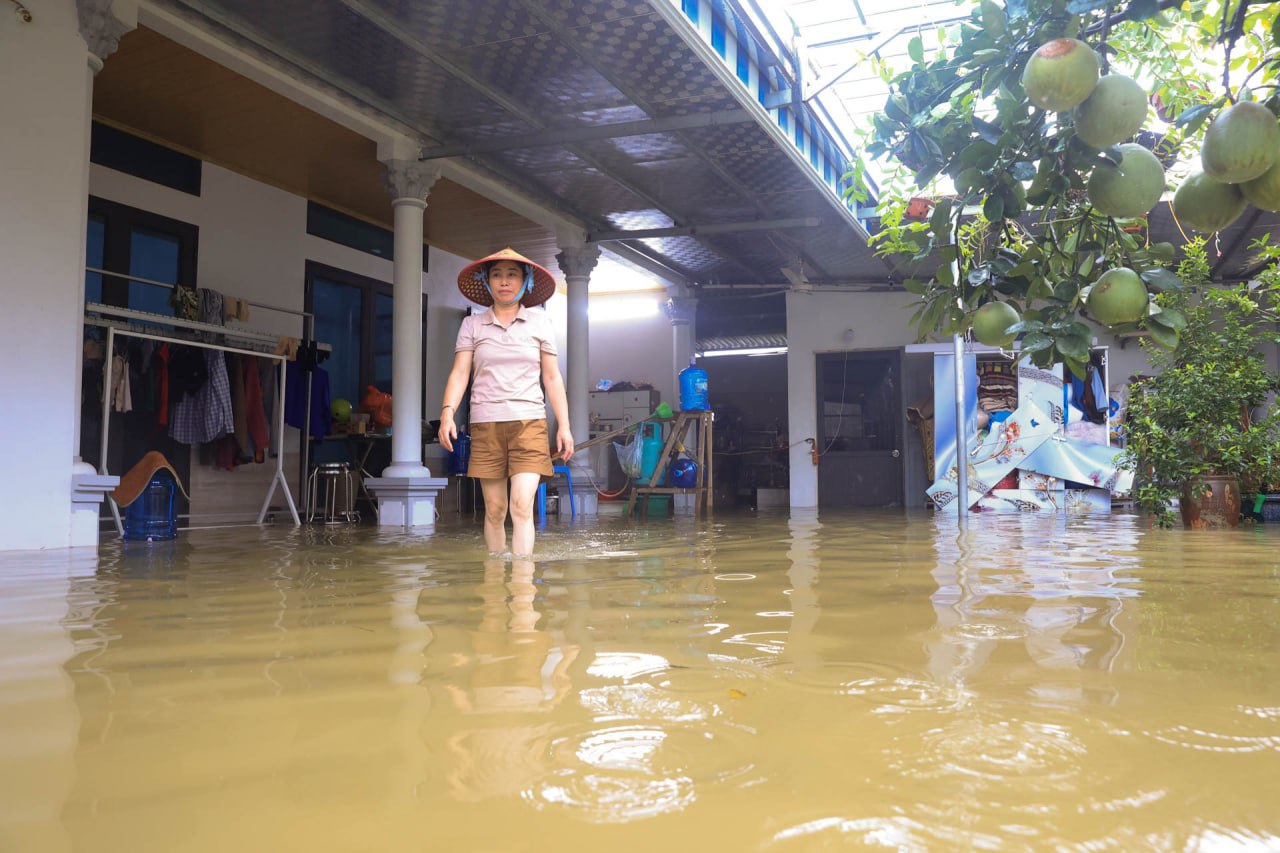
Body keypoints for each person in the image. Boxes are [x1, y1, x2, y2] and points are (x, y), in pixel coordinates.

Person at [439, 248, 574, 557]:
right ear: (487, 283)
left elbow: (553, 378)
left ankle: (524, 593)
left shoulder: (540, 323)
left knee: (521, 506)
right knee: (496, 510)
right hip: (486, 425)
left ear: (525, 282)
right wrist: (447, 413)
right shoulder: (472, 325)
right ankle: (495, 590)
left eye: (512, 274)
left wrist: (564, 426)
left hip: (529, 424)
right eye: (496, 274)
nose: (504, 281)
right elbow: (460, 373)